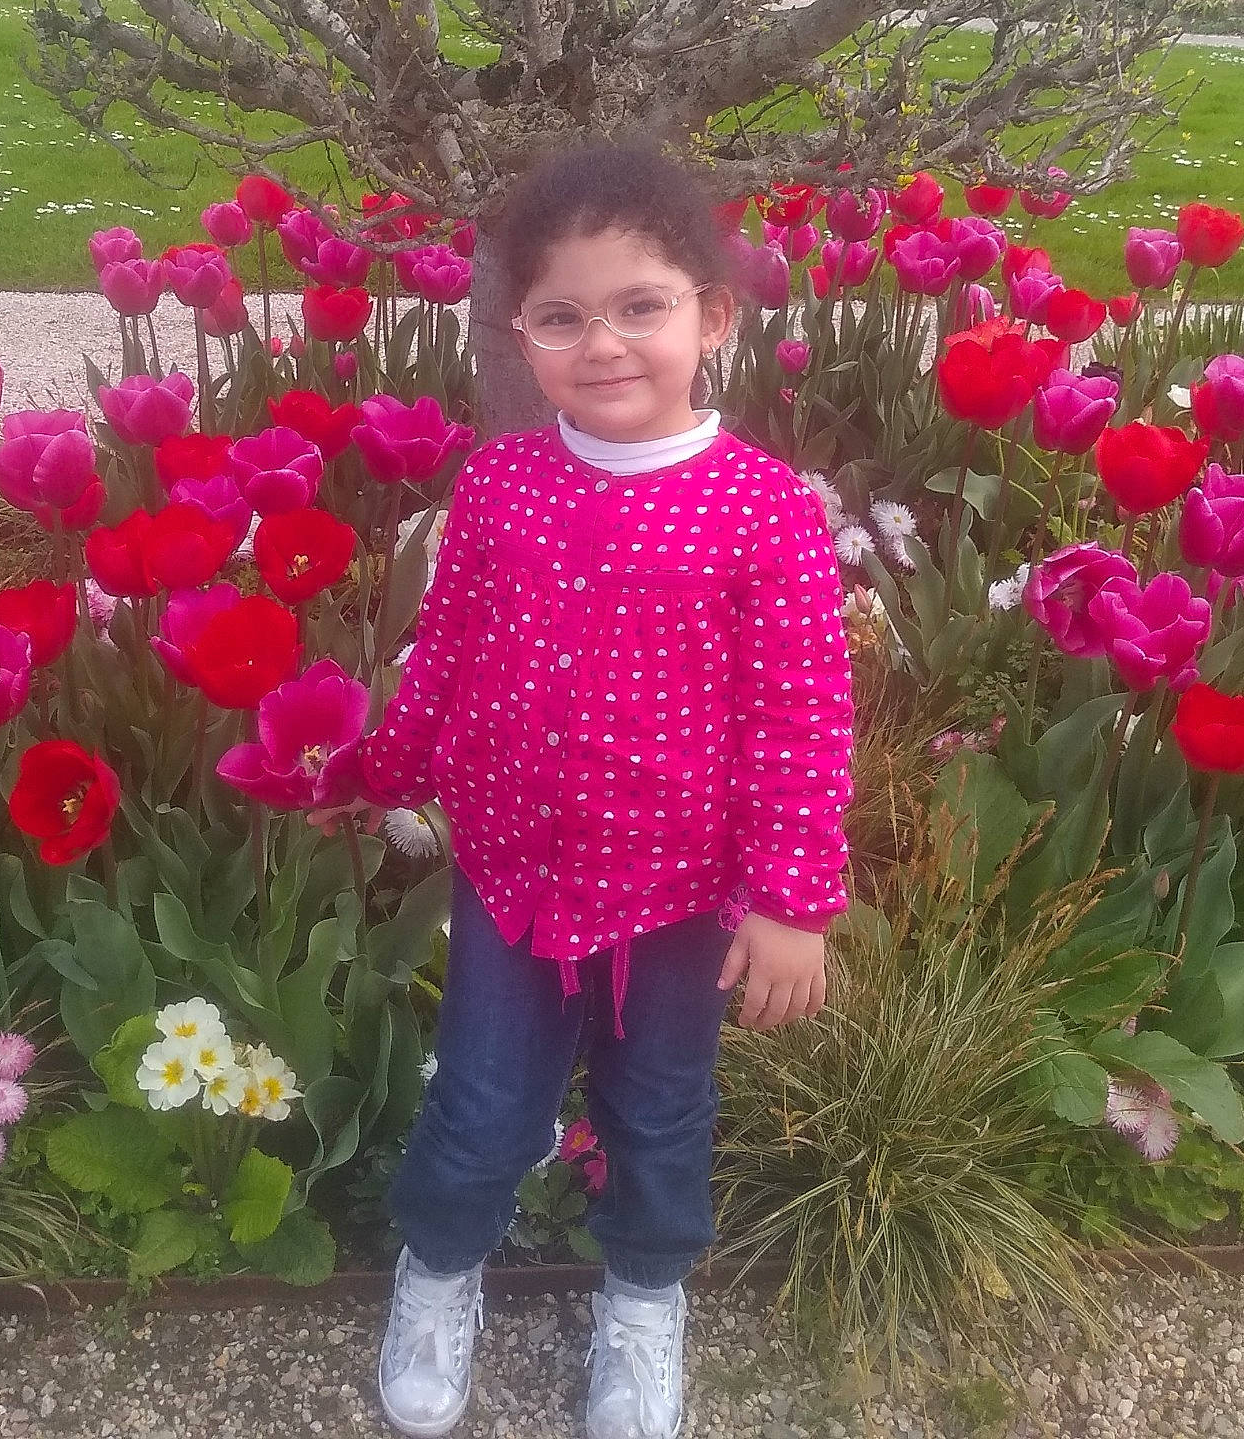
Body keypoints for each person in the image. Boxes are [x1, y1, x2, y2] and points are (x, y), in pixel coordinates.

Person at [312, 143, 854, 1439]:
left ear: (713, 317)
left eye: (640, 307)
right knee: (483, 1102)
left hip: (678, 902)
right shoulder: (501, 482)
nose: (602, 343)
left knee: (661, 1111)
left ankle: (644, 1302)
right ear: (519, 335)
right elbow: (444, 650)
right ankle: (439, 1270)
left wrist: (792, 902)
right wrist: (381, 770)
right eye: (562, 316)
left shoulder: (762, 512)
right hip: (513, 876)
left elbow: (803, 721)